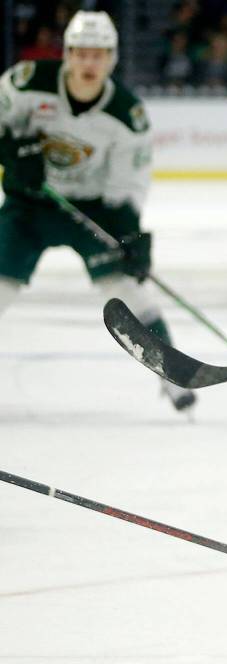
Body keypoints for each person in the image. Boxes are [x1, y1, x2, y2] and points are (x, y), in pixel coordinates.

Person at [0, 10, 196, 413]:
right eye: (82, 53)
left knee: (124, 289)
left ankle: (171, 376)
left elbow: (128, 184)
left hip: (88, 211)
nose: (90, 63)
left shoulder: (126, 114)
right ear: (67, 53)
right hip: (29, 205)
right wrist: (11, 153)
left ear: (112, 59)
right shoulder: (27, 83)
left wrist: (130, 234)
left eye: (99, 54)